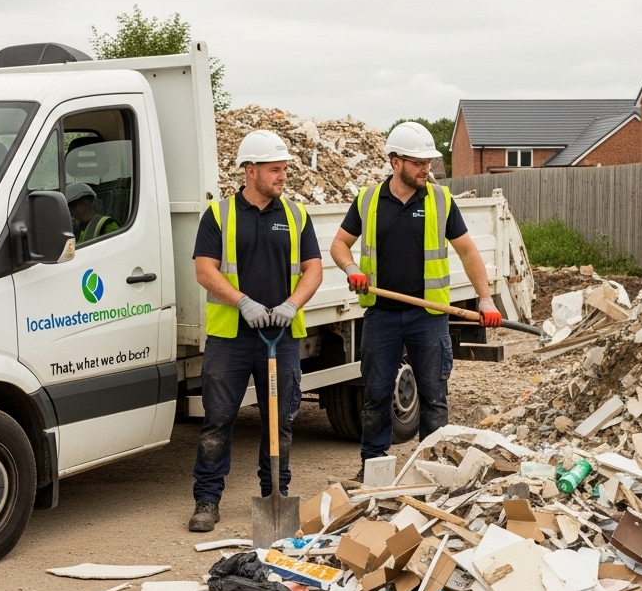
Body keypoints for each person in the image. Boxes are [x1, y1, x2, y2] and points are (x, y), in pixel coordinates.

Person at [329, 122, 502, 480]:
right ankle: (372, 468)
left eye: (429, 162)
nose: (427, 169)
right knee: (376, 396)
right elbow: (339, 244)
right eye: (419, 162)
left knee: (434, 398)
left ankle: (431, 469)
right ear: (396, 162)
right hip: (382, 316)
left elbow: (468, 251)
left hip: (429, 316)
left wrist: (485, 299)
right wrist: (350, 270)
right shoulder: (368, 200)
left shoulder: (440, 200)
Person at [188, 130, 323, 532]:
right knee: (218, 421)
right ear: (251, 171)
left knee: (279, 421)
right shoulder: (219, 214)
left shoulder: (296, 216)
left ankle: (274, 496)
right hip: (231, 338)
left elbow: (313, 270)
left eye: (284, 169)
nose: (283, 176)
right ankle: (207, 500)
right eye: (275, 169)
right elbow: (204, 268)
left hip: (280, 338)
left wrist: (291, 304)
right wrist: (241, 301)